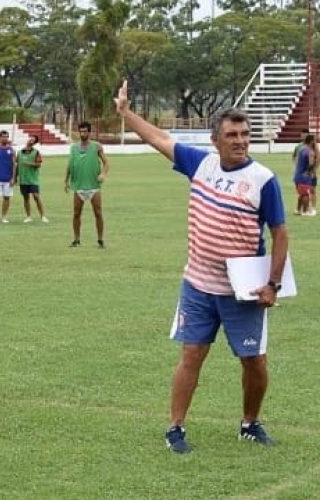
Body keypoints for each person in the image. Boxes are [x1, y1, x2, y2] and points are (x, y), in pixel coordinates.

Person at [115, 79, 288, 454]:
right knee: (191, 355)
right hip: (197, 284)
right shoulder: (201, 164)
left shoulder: (263, 180)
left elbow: (280, 232)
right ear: (216, 140)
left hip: (243, 291)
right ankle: (175, 428)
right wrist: (126, 114)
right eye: (232, 135)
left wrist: (272, 284)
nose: (240, 141)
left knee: (254, 360)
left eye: (245, 134)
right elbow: (159, 139)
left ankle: (250, 423)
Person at [64, 122, 110, 248]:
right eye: (81, 131)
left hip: (94, 186)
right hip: (78, 186)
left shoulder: (96, 146)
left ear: (89, 132)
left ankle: (100, 240)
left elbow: (106, 163)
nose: (83, 134)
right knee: (76, 214)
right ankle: (76, 240)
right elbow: (70, 164)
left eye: (85, 131)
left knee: (98, 213)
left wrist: (103, 174)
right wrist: (66, 180)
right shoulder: (73, 147)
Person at [13, 134, 48, 223]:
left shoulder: (36, 152)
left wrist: (29, 164)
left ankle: (43, 216)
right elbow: (17, 166)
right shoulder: (20, 152)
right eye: (30, 139)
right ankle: (28, 216)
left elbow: (39, 165)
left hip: (33, 179)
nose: (30, 141)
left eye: (33, 140)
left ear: (34, 143)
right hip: (23, 179)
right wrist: (15, 177)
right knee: (26, 198)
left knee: (36, 196)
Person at [292, 134, 316, 216]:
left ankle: (298, 210)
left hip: (297, 175)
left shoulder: (301, 149)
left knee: (301, 194)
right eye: (314, 140)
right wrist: (309, 172)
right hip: (304, 176)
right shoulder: (310, 151)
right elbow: (311, 163)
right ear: (312, 141)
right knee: (306, 194)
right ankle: (305, 211)